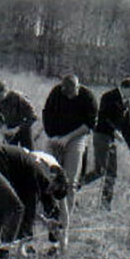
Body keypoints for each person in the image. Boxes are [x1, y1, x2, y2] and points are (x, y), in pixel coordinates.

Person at [0, 145, 68, 259]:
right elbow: (29, 212)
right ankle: (1, 254)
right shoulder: (37, 173)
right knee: (15, 208)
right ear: (53, 178)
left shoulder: (28, 166)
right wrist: (21, 246)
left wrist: (45, 221)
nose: (48, 192)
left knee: (4, 203)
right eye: (52, 189)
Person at [42, 73, 98, 241]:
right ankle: (51, 220)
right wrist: (53, 137)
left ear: (78, 87)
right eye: (67, 93)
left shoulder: (88, 97)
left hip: (77, 136)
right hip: (56, 136)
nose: (71, 95)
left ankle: (64, 227)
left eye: (73, 92)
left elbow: (89, 125)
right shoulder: (56, 93)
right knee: (49, 178)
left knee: (70, 183)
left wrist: (68, 138)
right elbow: (47, 114)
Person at [82, 78, 130, 208]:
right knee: (100, 170)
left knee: (112, 172)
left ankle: (105, 204)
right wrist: (114, 131)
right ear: (124, 87)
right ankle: (75, 186)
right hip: (101, 136)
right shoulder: (108, 97)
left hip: (111, 139)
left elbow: (127, 126)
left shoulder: (127, 104)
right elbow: (103, 117)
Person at [0, 78, 38, 150]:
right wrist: (2, 126)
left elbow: (33, 117)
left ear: (5, 90)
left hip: (24, 130)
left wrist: (18, 128)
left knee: (28, 155)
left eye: (0, 95)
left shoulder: (19, 97)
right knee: (8, 154)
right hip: (9, 130)